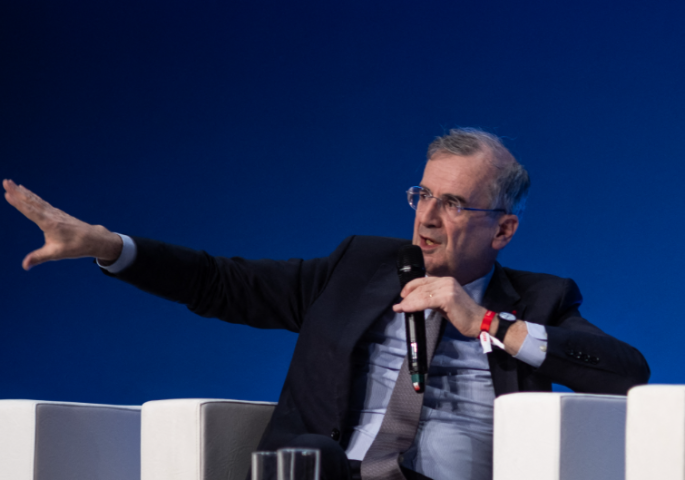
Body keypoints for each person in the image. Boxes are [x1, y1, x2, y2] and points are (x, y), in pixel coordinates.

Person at [3, 128, 650, 480]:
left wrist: (485, 322)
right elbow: (221, 283)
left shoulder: (537, 299)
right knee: (310, 460)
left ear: (502, 230)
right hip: (331, 479)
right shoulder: (357, 268)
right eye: (421, 196)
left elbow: (624, 372)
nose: (426, 217)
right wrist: (109, 246)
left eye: (451, 203)